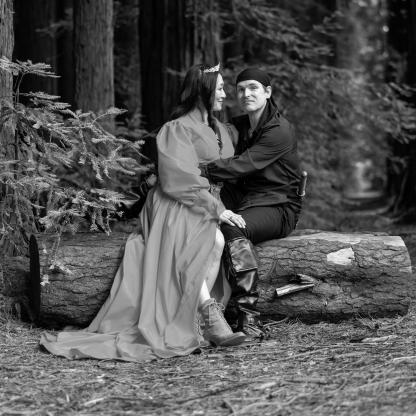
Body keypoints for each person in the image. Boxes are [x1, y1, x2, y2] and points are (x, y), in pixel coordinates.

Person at [40, 63, 246, 362]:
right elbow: (179, 180)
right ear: (202, 89)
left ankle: (198, 320)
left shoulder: (221, 130)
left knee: (215, 242)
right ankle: (210, 317)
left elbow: (230, 169)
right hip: (175, 202)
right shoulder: (176, 129)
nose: (225, 94)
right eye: (221, 87)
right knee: (210, 241)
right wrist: (218, 209)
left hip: (206, 200)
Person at [199, 68, 302, 331]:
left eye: (254, 88)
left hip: (277, 206)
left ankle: (250, 317)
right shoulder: (241, 124)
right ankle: (135, 201)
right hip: (246, 197)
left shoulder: (279, 130)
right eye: (241, 89)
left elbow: (242, 165)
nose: (246, 94)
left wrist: (198, 168)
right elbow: (210, 138)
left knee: (231, 226)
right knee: (197, 199)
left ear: (267, 92)